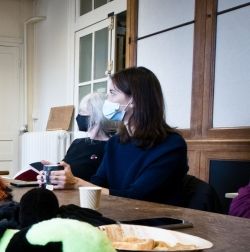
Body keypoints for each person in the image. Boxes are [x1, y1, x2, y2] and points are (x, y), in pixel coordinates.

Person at [43, 67, 188, 206]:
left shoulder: (171, 145)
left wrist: (76, 183)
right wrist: (62, 178)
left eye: (112, 93)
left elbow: (137, 198)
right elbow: (98, 184)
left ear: (134, 99)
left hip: (148, 224)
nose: (108, 100)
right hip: (112, 215)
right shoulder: (115, 142)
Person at [38, 92, 117, 183]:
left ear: (96, 117)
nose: (79, 114)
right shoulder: (77, 143)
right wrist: (53, 169)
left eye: (83, 111)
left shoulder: (111, 146)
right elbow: (67, 168)